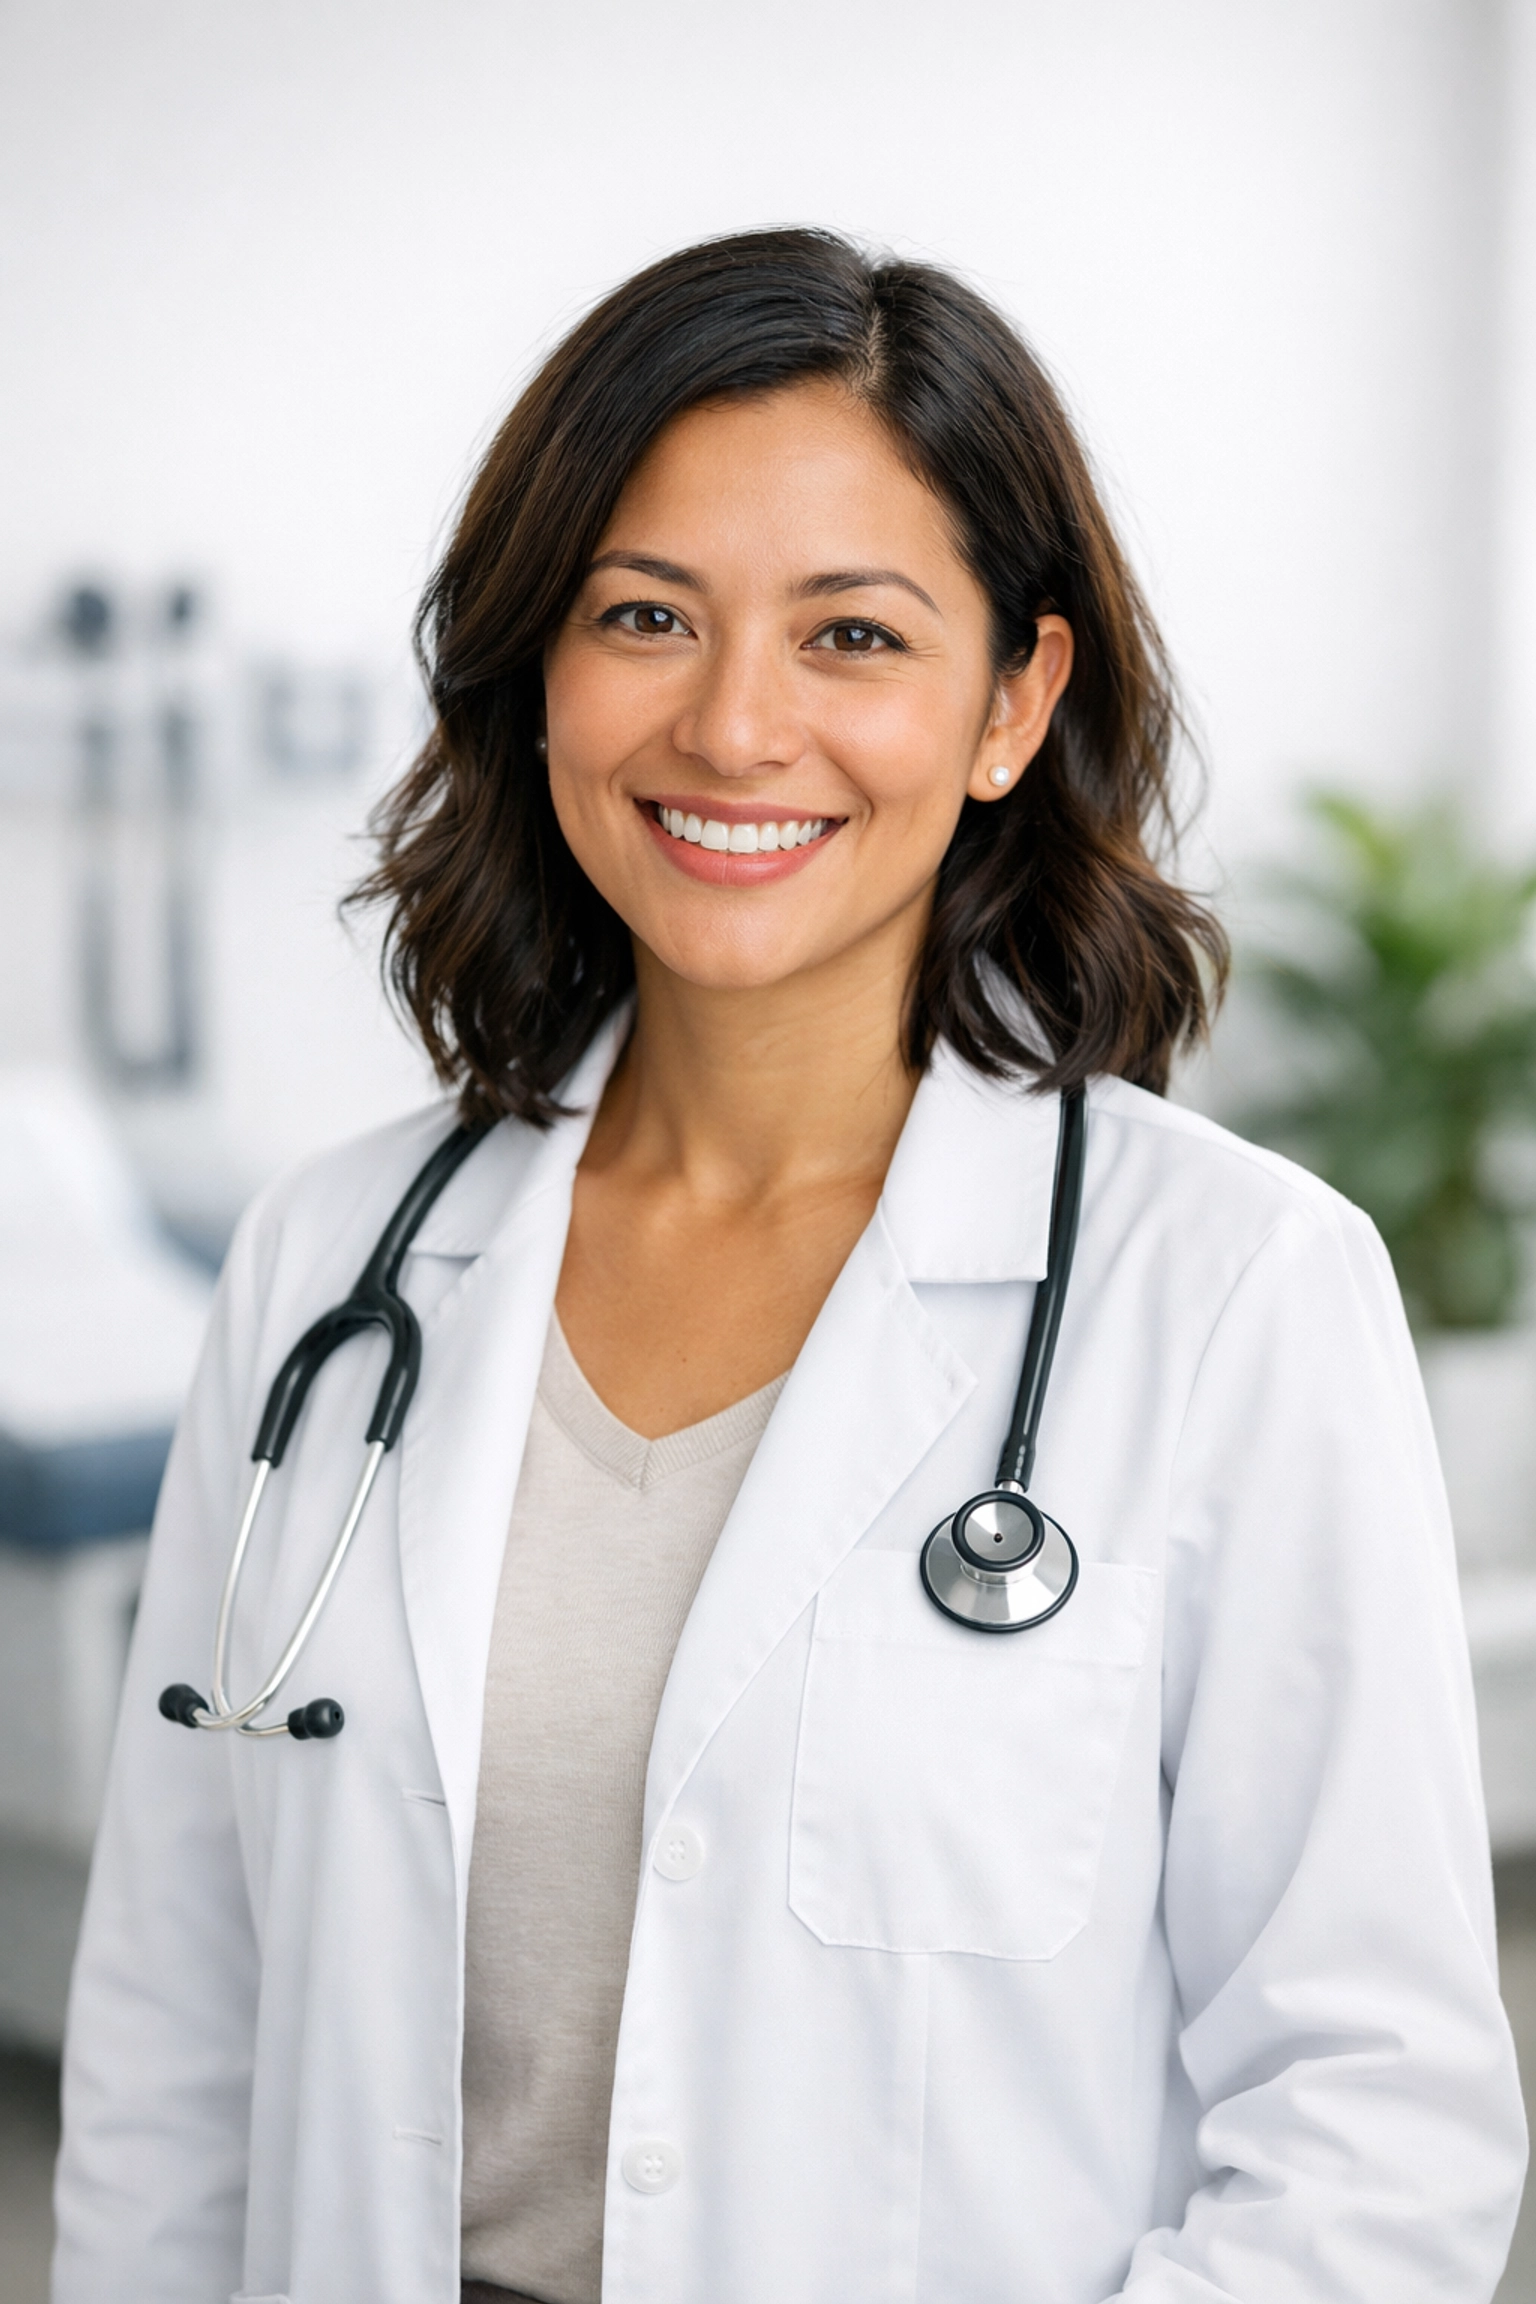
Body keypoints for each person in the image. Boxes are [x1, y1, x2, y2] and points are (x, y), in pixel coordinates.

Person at [54, 228, 1524, 2304]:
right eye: (644, 614)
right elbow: (171, 2050)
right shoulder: (328, 1269)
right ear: (532, 670)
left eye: (853, 636)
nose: (736, 726)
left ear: (1014, 700)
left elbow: (1375, 2124)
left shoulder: (1236, 1297)